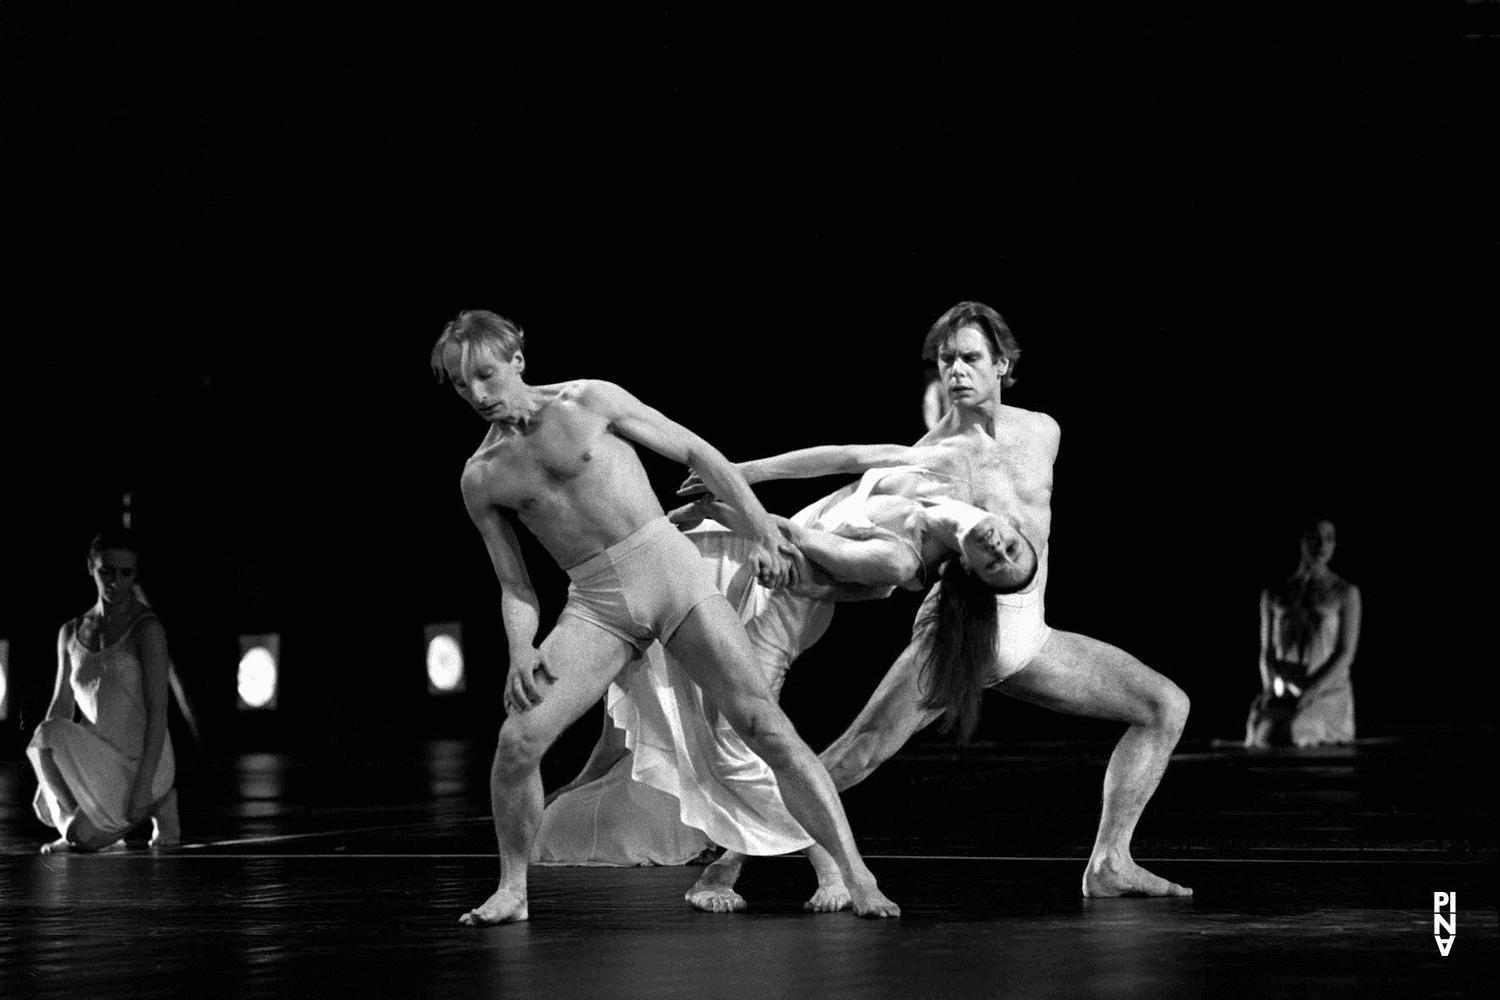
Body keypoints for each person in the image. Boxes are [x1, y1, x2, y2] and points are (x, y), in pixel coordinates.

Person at [695, 301, 1194, 900]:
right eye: (945, 359)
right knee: (858, 753)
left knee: (1165, 705)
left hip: (1029, 635)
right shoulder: (929, 457)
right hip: (959, 635)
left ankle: (1109, 862)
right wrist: (740, 475)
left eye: (969, 357)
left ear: (1003, 363)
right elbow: (850, 472)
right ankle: (730, 857)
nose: (955, 370)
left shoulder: (1043, 430)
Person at [431, 309, 899, 924]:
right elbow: (515, 584)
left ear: (517, 360)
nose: (479, 395)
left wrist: (762, 530)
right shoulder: (481, 476)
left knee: (764, 726)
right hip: (597, 604)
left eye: (487, 376)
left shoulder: (589, 401)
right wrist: (522, 650)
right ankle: (513, 890)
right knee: (517, 742)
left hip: (670, 570)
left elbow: (696, 452)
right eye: (463, 386)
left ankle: (855, 873)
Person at [537, 470, 1036, 911]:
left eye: (998, 562)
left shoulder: (901, 561)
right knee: (649, 676)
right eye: (1012, 546)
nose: (998, 546)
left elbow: (799, 542)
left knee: (744, 747)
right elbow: (837, 456)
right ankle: (763, 860)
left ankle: (818, 867)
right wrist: (739, 472)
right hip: (737, 559)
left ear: (970, 569)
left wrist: (721, 505)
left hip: (765, 603)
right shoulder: (936, 478)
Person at [27, 530, 180, 852]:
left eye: (127, 573)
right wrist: (47, 771)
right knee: (45, 732)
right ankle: (76, 823)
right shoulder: (70, 632)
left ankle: (160, 800)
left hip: (142, 761)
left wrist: (142, 787)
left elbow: (158, 711)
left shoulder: (146, 629)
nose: (115, 582)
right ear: (90, 567)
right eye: (106, 571)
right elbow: (60, 706)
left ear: (136, 574)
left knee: (82, 840)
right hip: (97, 754)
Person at [1244, 520, 1361, 748]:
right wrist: (1271, 689)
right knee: (1262, 731)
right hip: (1285, 690)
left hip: (1328, 690)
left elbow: (1345, 653)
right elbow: (1266, 651)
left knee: (1293, 731)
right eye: (1315, 538)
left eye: (1329, 539)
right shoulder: (1274, 593)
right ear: (1301, 540)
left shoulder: (1345, 592)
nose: (1322, 546)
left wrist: (1310, 691)